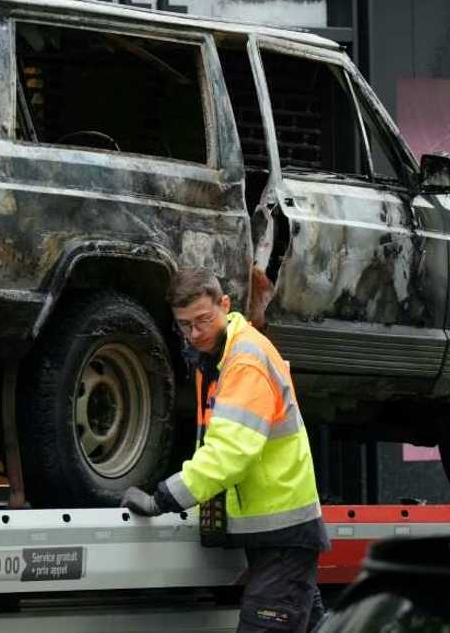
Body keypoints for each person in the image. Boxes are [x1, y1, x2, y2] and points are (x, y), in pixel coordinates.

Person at [121, 267, 329, 633]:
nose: (194, 334)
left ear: (225, 304)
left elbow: (228, 453)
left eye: (202, 320)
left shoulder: (244, 360)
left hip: (282, 532)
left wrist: (164, 498)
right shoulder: (219, 357)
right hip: (277, 531)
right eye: (184, 326)